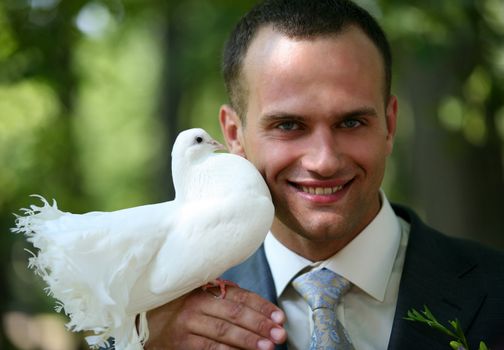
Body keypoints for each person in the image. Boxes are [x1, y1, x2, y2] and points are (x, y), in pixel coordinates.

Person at [144, 0, 504, 349]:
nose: (324, 161)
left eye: (351, 122)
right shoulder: (156, 310)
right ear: (235, 136)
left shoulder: (496, 287)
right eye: (288, 125)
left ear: (390, 124)